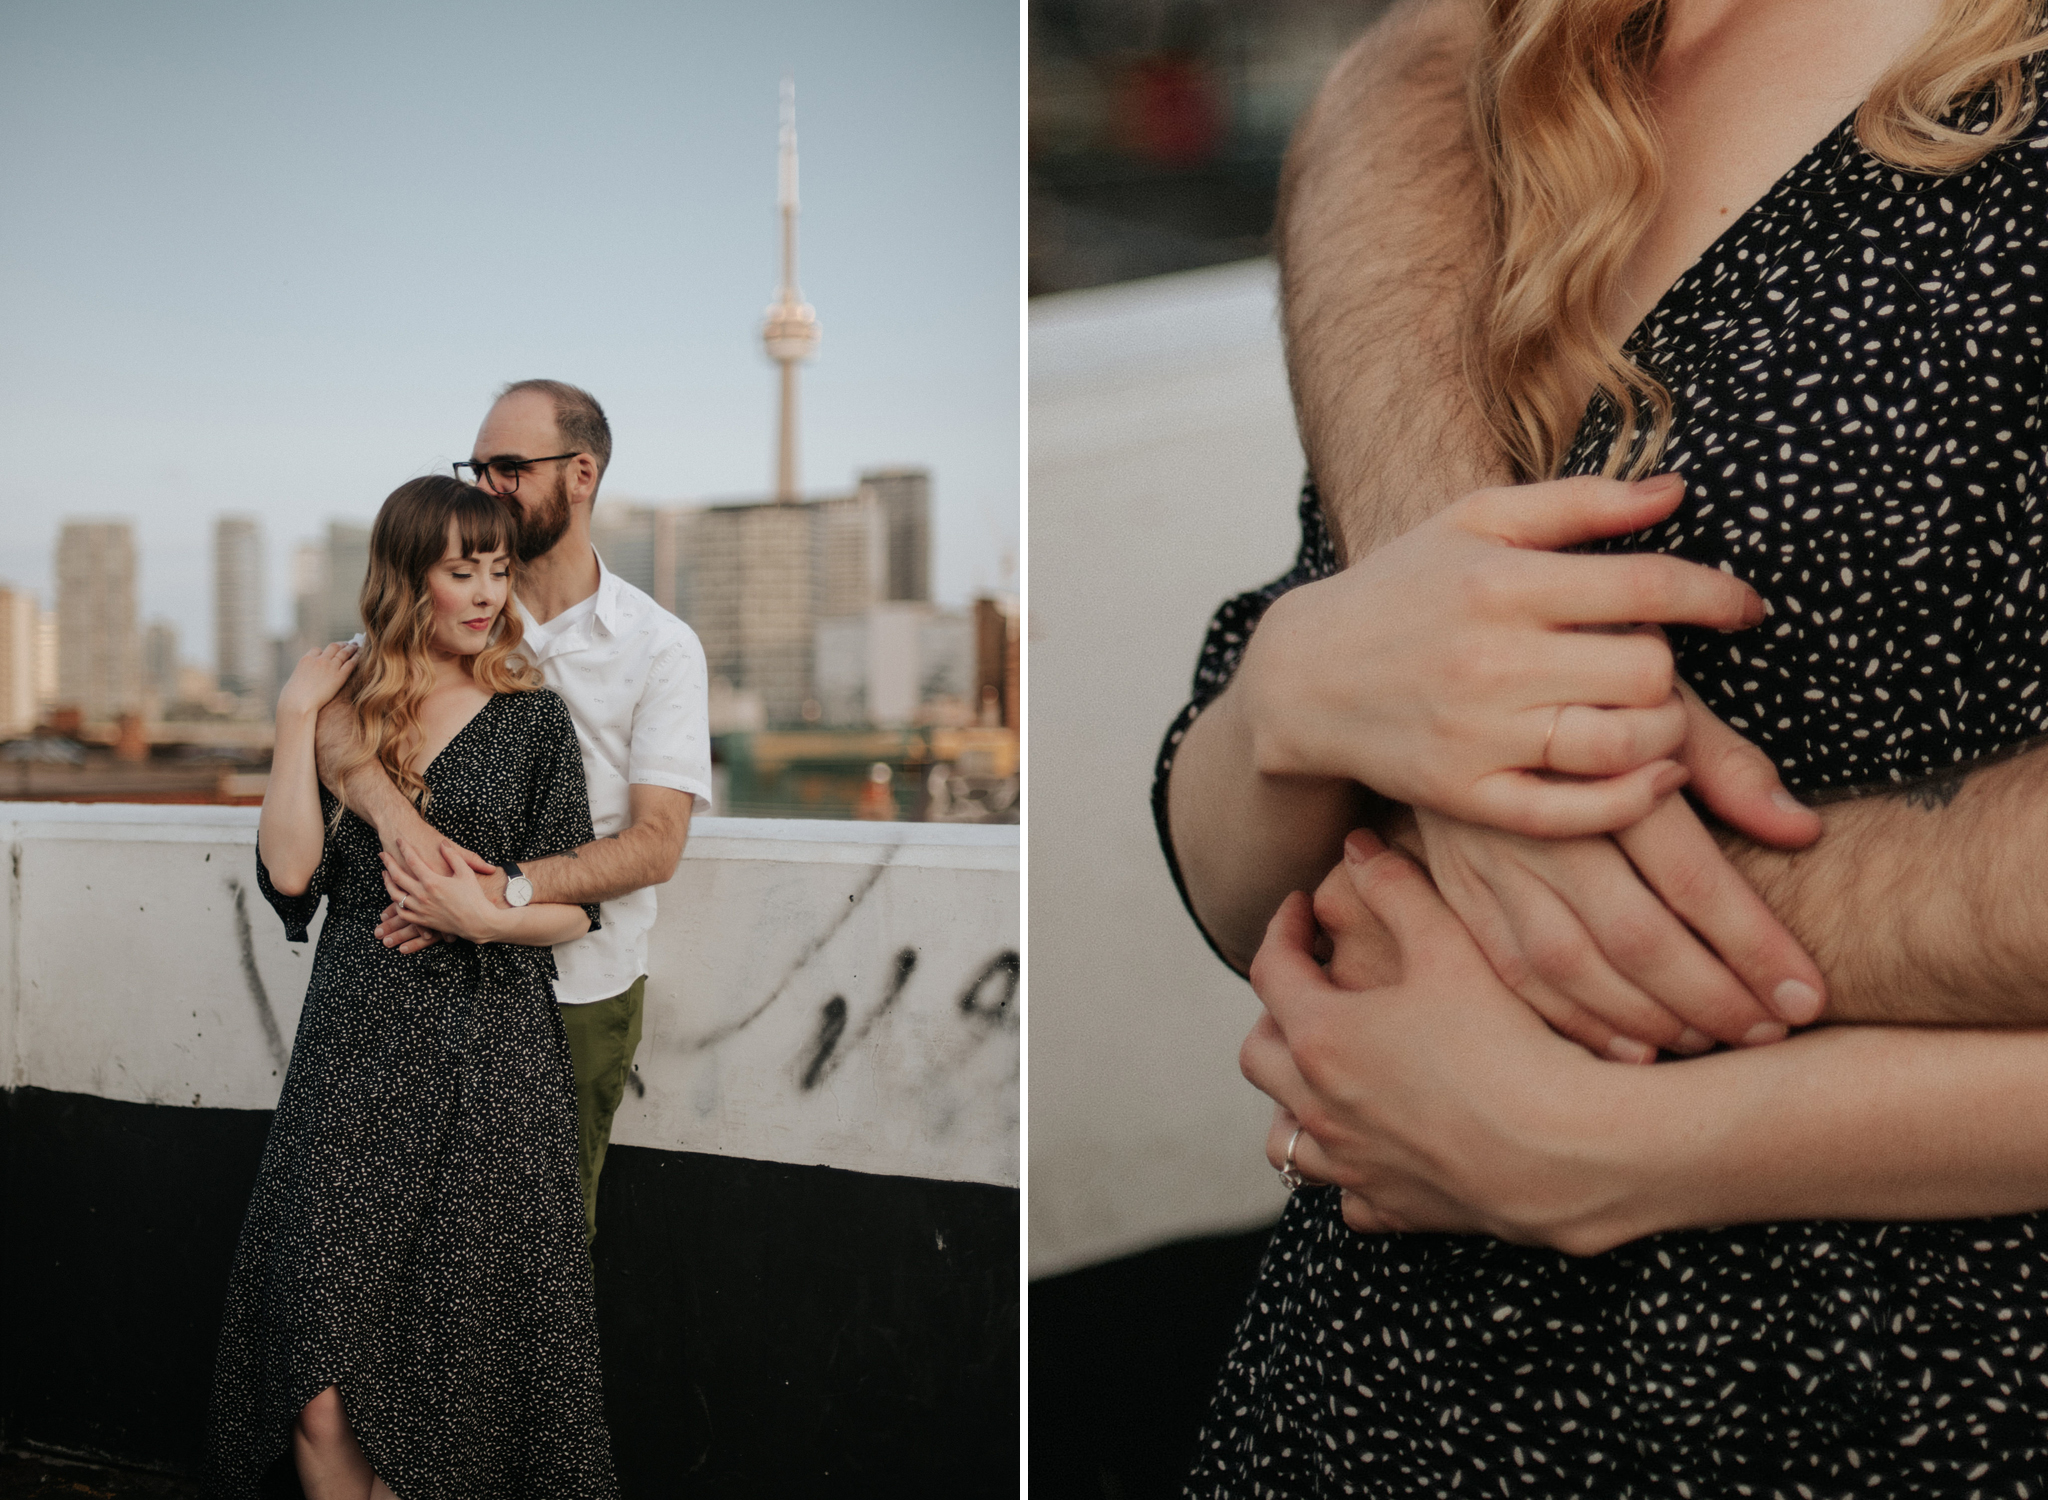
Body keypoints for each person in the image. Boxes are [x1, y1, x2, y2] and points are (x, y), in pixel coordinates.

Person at [1155, 0, 2048, 1492]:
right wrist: (1282, 701)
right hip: (1359, 1405)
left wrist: (1639, 1139)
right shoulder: (1501, 93)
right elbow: (1257, 892)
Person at [205, 475, 614, 1498]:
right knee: (313, 1373)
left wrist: (476, 914)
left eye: (497, 569)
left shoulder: (531, 722)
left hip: (487, 1064)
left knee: (457, 1380)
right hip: (350, 1059)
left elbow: (572, 909)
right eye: (458, 570)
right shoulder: (344, 714)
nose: (484, 593)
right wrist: (296, 714)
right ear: (405, 578)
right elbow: (292, 874)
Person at [323, 379, 713, 1248]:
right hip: (417, 982)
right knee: (403, 1247)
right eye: (478, 465)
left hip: (576, 988)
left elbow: (655, 844)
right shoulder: (448, 604)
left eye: (509, 467)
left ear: (581, 475)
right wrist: (408, 835)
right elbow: (337, 720)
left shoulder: (660, 646)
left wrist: (495, 898)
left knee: (535, 1259)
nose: (486, 485)